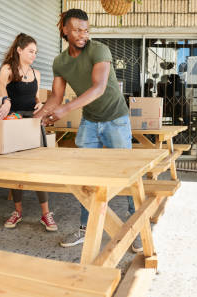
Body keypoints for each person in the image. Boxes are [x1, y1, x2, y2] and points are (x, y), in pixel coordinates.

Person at [35, 9, 141, 252]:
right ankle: (86, 228)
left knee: (127, 176)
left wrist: (64, 110)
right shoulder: (60, 62)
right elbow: (56, 97)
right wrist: (37, 117)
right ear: (64, 29)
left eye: (86, 29)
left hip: (116, 119)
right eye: (77, 30)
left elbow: (99, 88)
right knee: (85, 177)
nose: (83, 34)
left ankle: (135, 228)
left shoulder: (99, 50)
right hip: (90, 121)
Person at [0, 33, 57, 232]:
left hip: (32, 122)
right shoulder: (7, 69)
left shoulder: (36, 74)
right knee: (17, 170)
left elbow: (36, 97)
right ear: (19, 50)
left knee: (40, 169)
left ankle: (46, 214)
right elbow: (1, 86)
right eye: (31, 51)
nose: (34, 55)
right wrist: (6, 100)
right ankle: (17, 212)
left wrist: (39, 103)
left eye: (36, 52)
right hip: (15, 122)